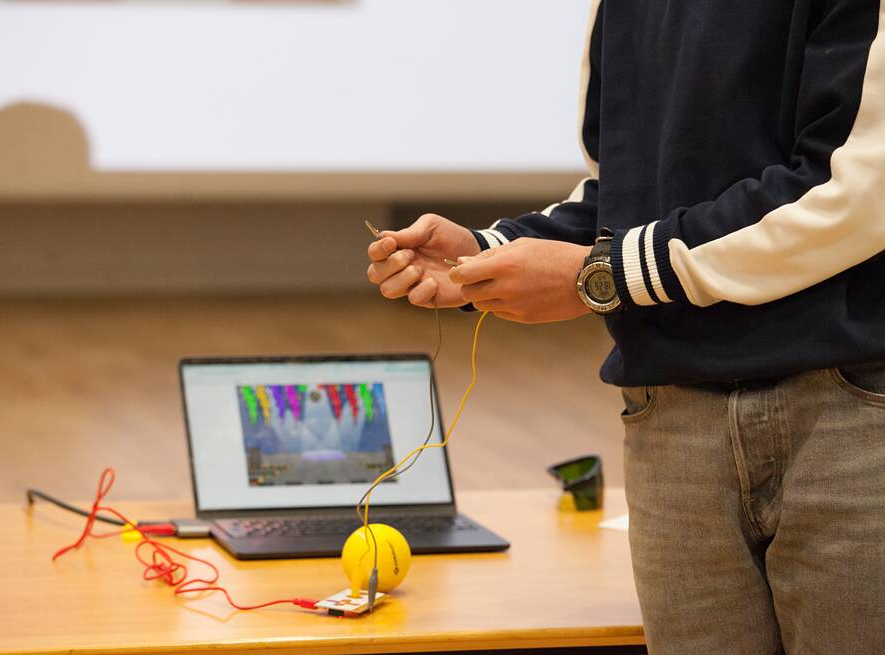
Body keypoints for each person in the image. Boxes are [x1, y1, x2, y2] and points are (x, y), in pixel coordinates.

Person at [365, 2, 885, 653]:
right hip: (668, 421)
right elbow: (623, 195)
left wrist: (601, 274)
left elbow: (856, 188)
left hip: (848, 412)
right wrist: (487, 251)